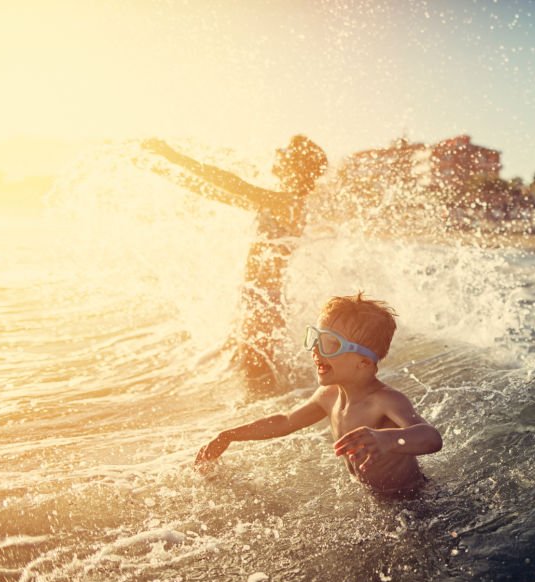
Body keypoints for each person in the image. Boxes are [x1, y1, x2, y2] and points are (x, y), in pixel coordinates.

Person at [195, 294, 443, 493]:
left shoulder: (384, 401)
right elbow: (285, 422)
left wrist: (388, 440)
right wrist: (229, 435)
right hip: (371, 495)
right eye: (315, 339)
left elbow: (431, 437)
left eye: (329, 344)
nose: (316, 350)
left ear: (364, 363)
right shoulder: (328, 396)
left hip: (410, 497)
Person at [142, 135, 328, 394]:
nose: (277, 149)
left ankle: (274, 420)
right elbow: (214, 190)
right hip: (256, 298)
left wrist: (173, 156)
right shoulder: (277, 202)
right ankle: (274, 414)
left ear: (296, 166)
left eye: (285, 149)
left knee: (259, 378)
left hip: (264, 302)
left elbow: (234, 184)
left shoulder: (288, 203)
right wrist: (163, 171)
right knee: (253, 373)